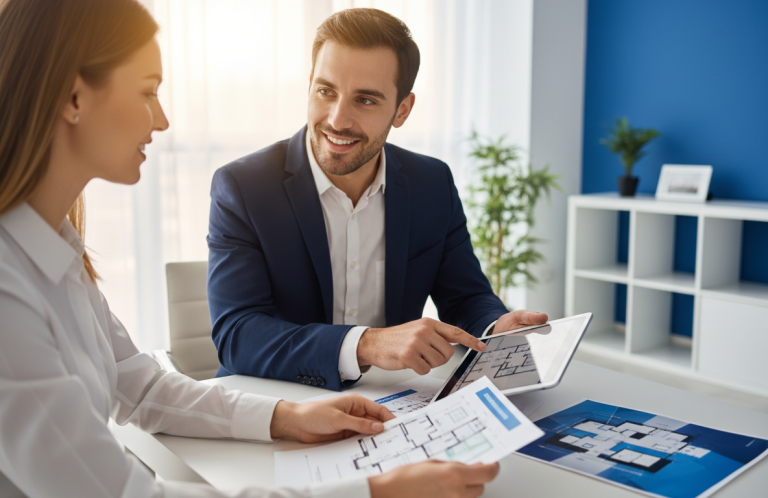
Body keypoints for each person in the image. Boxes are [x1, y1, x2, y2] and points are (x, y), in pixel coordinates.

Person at [0, 0, 499, 496]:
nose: (164, 120)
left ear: (402, 109)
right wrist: (376, 494)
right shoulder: (9, 292)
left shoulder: (59, 254)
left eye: (366, 99)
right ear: (73, 98)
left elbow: (144, 387)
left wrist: (288, 418)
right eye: (148, 91)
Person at [207, 8, 548, 391]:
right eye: (326, 91)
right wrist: (367, 344)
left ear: (402, 109)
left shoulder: (432, 183)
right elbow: (237, 334)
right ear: (309, 85)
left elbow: (465, 295)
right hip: (277, 400)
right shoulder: (244, 187)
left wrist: (495, 326)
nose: (337, 119)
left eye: (365, 100)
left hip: (392, 402)